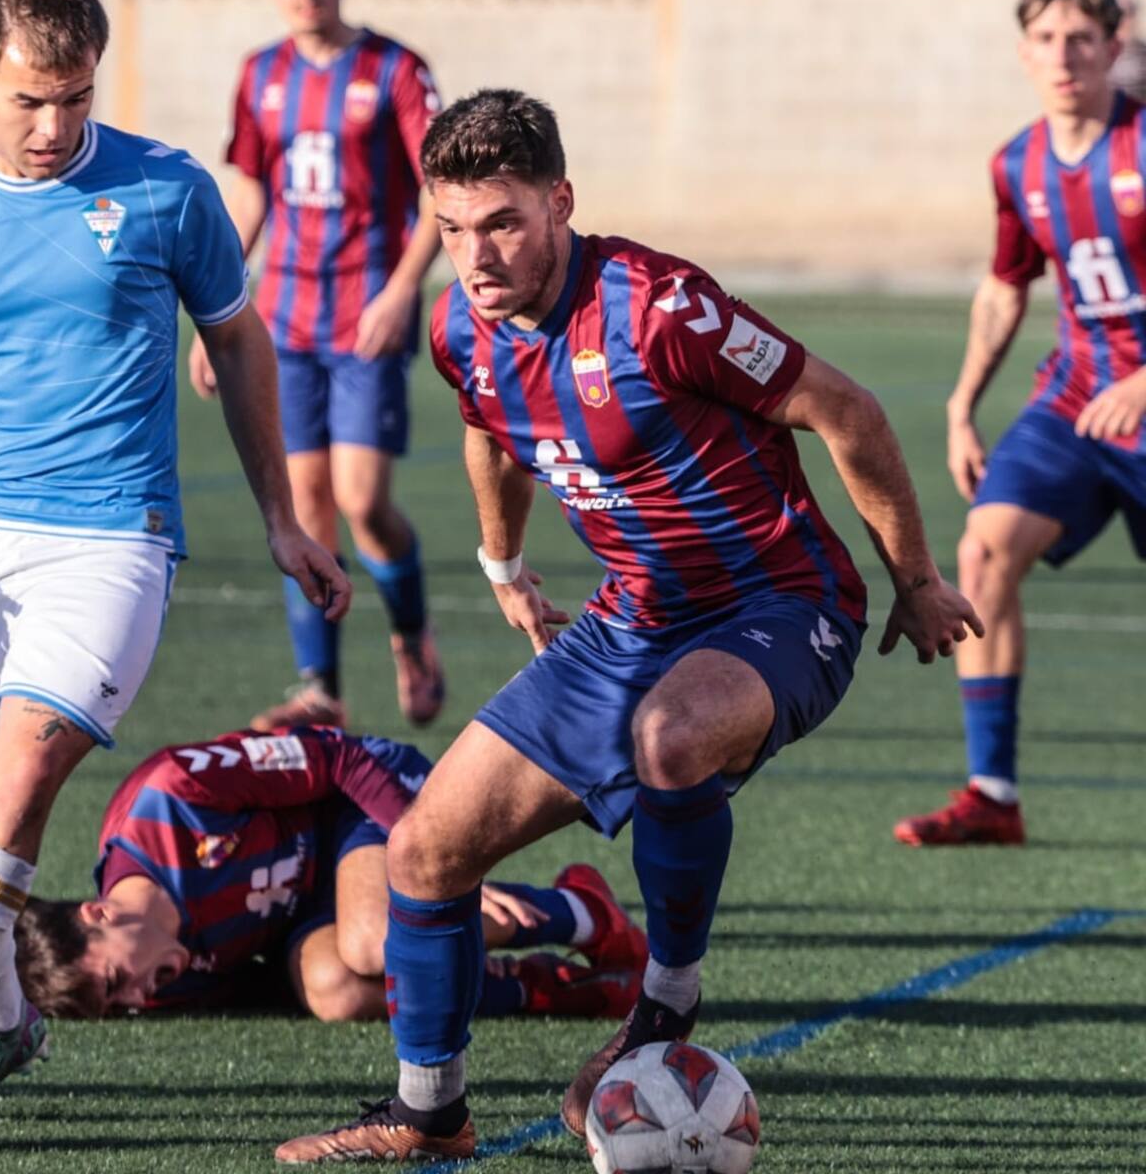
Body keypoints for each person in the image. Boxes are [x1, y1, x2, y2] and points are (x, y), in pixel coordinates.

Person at [274, 88, 981, 1164]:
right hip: (630, 622)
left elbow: (850, 412)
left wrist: (917, 580)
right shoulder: (461, 324)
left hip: (782, 604)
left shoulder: (659, 308)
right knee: (424, 851)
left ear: (561, 202)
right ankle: (430, 1116)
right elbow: (491, 435)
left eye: (504, 221)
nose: (477, 255)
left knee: (672, 738)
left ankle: (664, 1004)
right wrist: (503, 562)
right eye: (454, 229)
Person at [0, 0, 349, 1119]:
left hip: (110, 541)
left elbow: (241, 342)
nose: (56, 126)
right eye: (31, 99)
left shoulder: (167, 190)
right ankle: (3, 1018)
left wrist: (281, 515)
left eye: (76, 98)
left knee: (18, 786)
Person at [893, 0, 1146, 847]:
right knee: (984, 545)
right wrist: (964, 404)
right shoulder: (1017, 163)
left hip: (1141, 393)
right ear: (1024, 52)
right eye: (1047, 38)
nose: (1064, 54)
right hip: (1078, 394)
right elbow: (1006, 288)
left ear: (1117, 46)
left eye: (1083, 38)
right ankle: (992, 794)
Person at [188, 0, 446, 730]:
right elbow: (254, 196)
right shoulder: (259, 74)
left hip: (365, 316)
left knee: (363, 503)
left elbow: (437, 193)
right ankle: (321, 691)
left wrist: (401, 291)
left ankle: (410, 634)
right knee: (305, 510)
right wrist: (218, 308)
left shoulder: (397, 70)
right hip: (285, 324)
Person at [11, 725, 645, 1027]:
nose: (135, 1000)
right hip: (310, 907)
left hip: (361, 806)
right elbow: (271, 990)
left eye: (116, 981)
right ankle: (548, 989)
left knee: (371, 940)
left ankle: (583, 910)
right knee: (336, 990)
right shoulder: (160, 974)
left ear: (98, 912)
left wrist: (433, 860)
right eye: (117, 1006)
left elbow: (337, 757)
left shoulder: (171, 798)